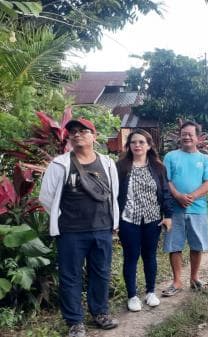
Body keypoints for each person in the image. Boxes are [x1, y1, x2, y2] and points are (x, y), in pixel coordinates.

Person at [40, 118, 119, 337]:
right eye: (73, 131)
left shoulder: (108, 164)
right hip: (71, 232)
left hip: (102, 228)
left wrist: (114, 223)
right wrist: (62, 218)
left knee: (100, 273)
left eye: (83, 131)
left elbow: (114, 194)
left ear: (94, 136)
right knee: (70, 276)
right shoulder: (59, 164)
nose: (77, 135)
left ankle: (100, 312)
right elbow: (46, 197)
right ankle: (75, 321)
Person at [116, 129, 174, 311]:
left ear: (149, 145)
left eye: (142, 142)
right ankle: (132, 296)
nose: (137, 145)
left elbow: (165, 192)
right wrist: (115, 220)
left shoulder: (158, 167)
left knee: (150, 257)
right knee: (131, 257)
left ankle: (150, 292)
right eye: (134, 142)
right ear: (129, 145)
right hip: (128, 219)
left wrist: (168, 216)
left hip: (152, 219)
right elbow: (114, 195)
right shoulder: (121, 167)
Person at [161, 121, 208, 297]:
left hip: (197, 208)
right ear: (180, 136)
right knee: (174, 246)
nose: (187, 137)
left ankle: (194, 277)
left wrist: (192, 196)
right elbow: (166, 180)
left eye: (190, 134)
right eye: (184, 134)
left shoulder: (204, 159)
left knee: (196, 245)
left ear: (198, 138)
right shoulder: (170, 156)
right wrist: (177, 195)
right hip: (174, 209)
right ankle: (176, 281)